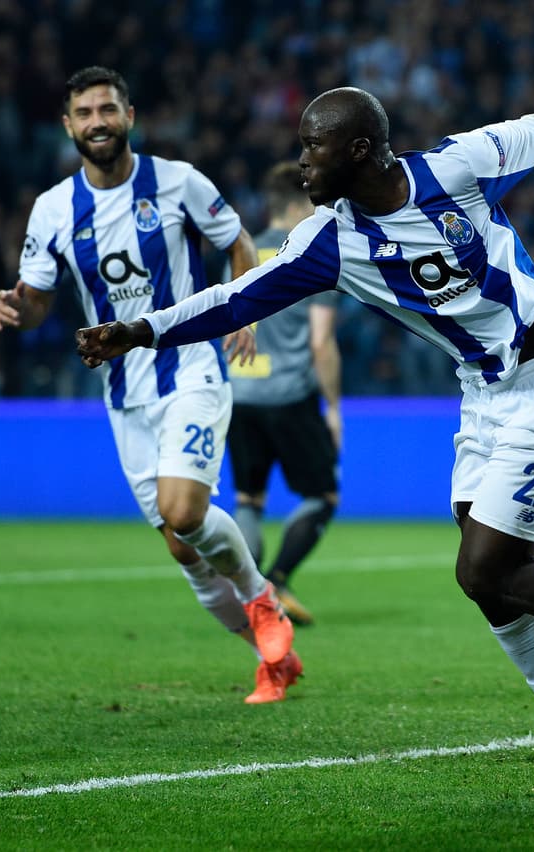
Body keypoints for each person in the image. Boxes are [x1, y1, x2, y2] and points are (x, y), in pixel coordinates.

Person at [75, 77, 534, 791]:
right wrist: (141, 330)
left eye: (313, 146)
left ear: (360, 150)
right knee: (492, 586)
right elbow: (236, 298)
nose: (300, 162)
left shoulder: (458, 167)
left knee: (483, 569)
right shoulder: (328, 240)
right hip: (484, 393)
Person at [0, 66, 299, 705]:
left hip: (191, 366)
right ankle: (271, 659)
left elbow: (237, 241)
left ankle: (264, 600)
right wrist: (18, 310)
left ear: (129, 115)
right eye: (85, 112)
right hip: (124, 395)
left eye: (108, 108)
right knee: (183, 549)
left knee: (183, 511)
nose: (97, 121)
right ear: (68, 125)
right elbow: (40, 302)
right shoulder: (53, 209)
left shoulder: (178, 182)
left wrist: (243, 313)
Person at [227, 161, 342, 626]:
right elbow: (321, 341)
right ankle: (276, 581)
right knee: (323, 496)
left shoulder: (242, 253)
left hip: (241, 392)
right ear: (299, 205)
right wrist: (333, 406)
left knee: (248, 499)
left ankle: (252, 594)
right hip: (291, 396)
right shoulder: (313, 255)